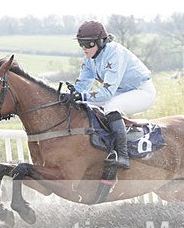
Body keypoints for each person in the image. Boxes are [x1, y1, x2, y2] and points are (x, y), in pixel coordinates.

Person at [64, 20, 156, 169]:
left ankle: (122, 155)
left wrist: (82, 96)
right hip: (121, 92)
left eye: (88, 44)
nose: (84, 48)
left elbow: (106, 94)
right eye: (81, 43)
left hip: (142, 91)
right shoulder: (90, 59)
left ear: (101, 42)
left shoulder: (114, 53)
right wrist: (72, 95)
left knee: (111, 107)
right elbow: (82, 86)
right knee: (86, 106)